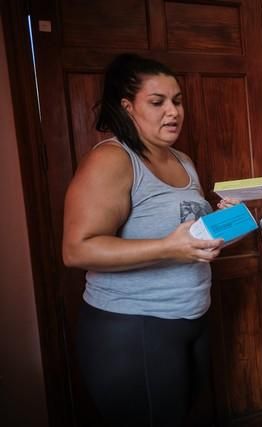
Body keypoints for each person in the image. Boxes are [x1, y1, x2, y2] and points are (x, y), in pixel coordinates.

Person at [62, 53, 235, 426]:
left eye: (177, 100)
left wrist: (223, 220)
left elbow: (187, 235)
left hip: (191, 320)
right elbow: (77, 249)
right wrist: (168, 248)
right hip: (134, 328)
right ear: (127, 107)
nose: (173, 111)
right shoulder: (113, 160)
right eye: (157, 102)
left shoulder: (183, 160)